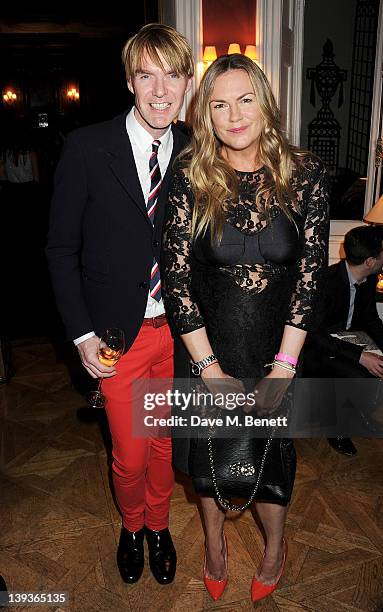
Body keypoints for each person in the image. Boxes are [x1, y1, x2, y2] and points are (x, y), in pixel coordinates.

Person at [162, 53, 329, 603]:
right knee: (206, 465)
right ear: (205, 115)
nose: (234, 116)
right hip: (203, 349)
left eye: (245, 99)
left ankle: (274, 548)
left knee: (273, 457)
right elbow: (178, 281)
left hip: (278, 350)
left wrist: (284, 367)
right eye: (218, 105)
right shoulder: (187, 177)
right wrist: (208, 370)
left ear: (265, 103)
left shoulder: (306, 174)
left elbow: (309, 277)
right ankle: (214, 544)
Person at [46, 23, 194, 585]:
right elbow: (61, 250)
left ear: (187, 83)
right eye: (147, 75)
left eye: (172, 75)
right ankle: (131, 525)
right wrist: (82, 335)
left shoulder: (196, 152)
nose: (160, 90)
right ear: (130, 81)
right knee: (130, 455)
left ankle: (158, 526)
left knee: (163, 446)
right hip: (115, 337)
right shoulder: (88, 147)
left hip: (181, 336)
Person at [304, 225, 383, 456]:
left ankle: (360, 414)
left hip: (347, 341)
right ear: (370, 260)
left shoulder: (369, 278)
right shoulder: (323, 282)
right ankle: (336, 428)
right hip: (317, 348)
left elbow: (371, 319)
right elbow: (314, 335)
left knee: (374, 368)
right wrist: (360, 356)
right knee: (358, 374)